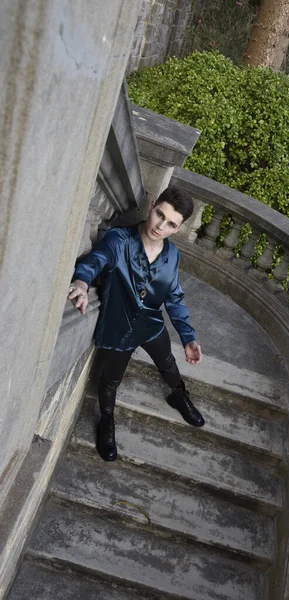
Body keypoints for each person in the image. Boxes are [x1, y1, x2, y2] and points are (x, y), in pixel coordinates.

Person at [68, 186, 204, 463]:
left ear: (177, 229)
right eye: (159, 215)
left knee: (168, 363)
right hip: (118, 327)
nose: (160, 226)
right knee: (110, 381)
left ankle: (179, 396)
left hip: (152, 324)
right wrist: (82, 281)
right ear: (153, 205)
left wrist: (188, 337)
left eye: (171, 224)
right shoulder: (121, 239)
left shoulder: (173, 255)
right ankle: (107, 420)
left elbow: (175, 298)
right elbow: (96, 260)